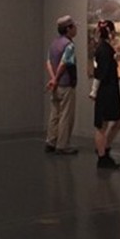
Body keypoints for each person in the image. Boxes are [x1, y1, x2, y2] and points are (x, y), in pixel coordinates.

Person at [89, 20, 120, 169]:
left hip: (110, 90)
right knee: (102, 126)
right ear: (111, 32)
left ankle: (104, 149)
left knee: (118, 122)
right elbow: (99, 74)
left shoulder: (105, 49)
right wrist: (94, 91)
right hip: (106, 91)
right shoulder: (104, 50)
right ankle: (102, 156)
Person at [44, 15, 79, 155]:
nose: (76, 29)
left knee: (54, 113)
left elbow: (48, 62)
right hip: (66, 84)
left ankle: (50, 141)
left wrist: (53, 79)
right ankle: (62, 145)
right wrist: (57, 78)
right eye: (74, 27)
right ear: (68, 29)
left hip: (56, 85)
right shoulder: (69, 45)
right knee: (66, 115)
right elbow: (64, 63)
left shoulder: (54, 43)